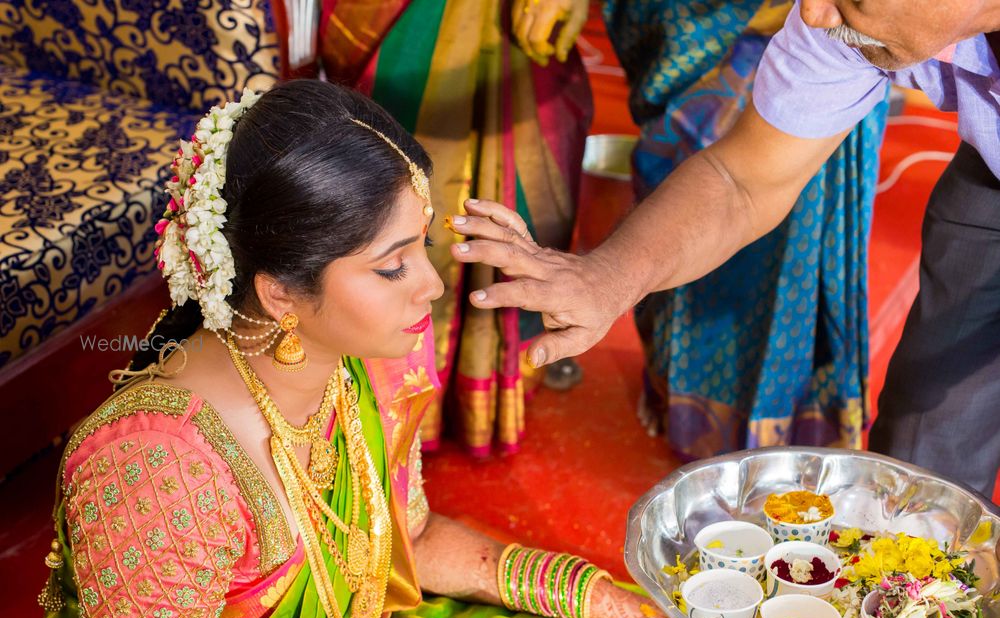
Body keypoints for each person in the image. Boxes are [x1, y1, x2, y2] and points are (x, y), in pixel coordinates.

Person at [12, 80, 726, 618]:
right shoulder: (162, 471)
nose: (433, 286)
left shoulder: (365, 361)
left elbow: (404, 540)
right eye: (392, 267)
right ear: (279, 292)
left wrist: (589, 597)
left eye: (422, 246)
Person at [450, 0, 1000, 499]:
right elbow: (742, 181)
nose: (811, 14)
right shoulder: (840, 16)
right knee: (921, 471)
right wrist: (607, 279)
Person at [604, 0, 887, 458]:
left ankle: (791, 426)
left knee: (800, 260)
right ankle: (685, 407)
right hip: (722, 69)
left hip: (831, 61)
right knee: (688, 231)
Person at [317, 0, 593, 457]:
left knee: (525, 197)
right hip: (408, 24)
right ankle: (380, 395)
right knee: (393, 191)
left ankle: (488, 383)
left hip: (523, 33)